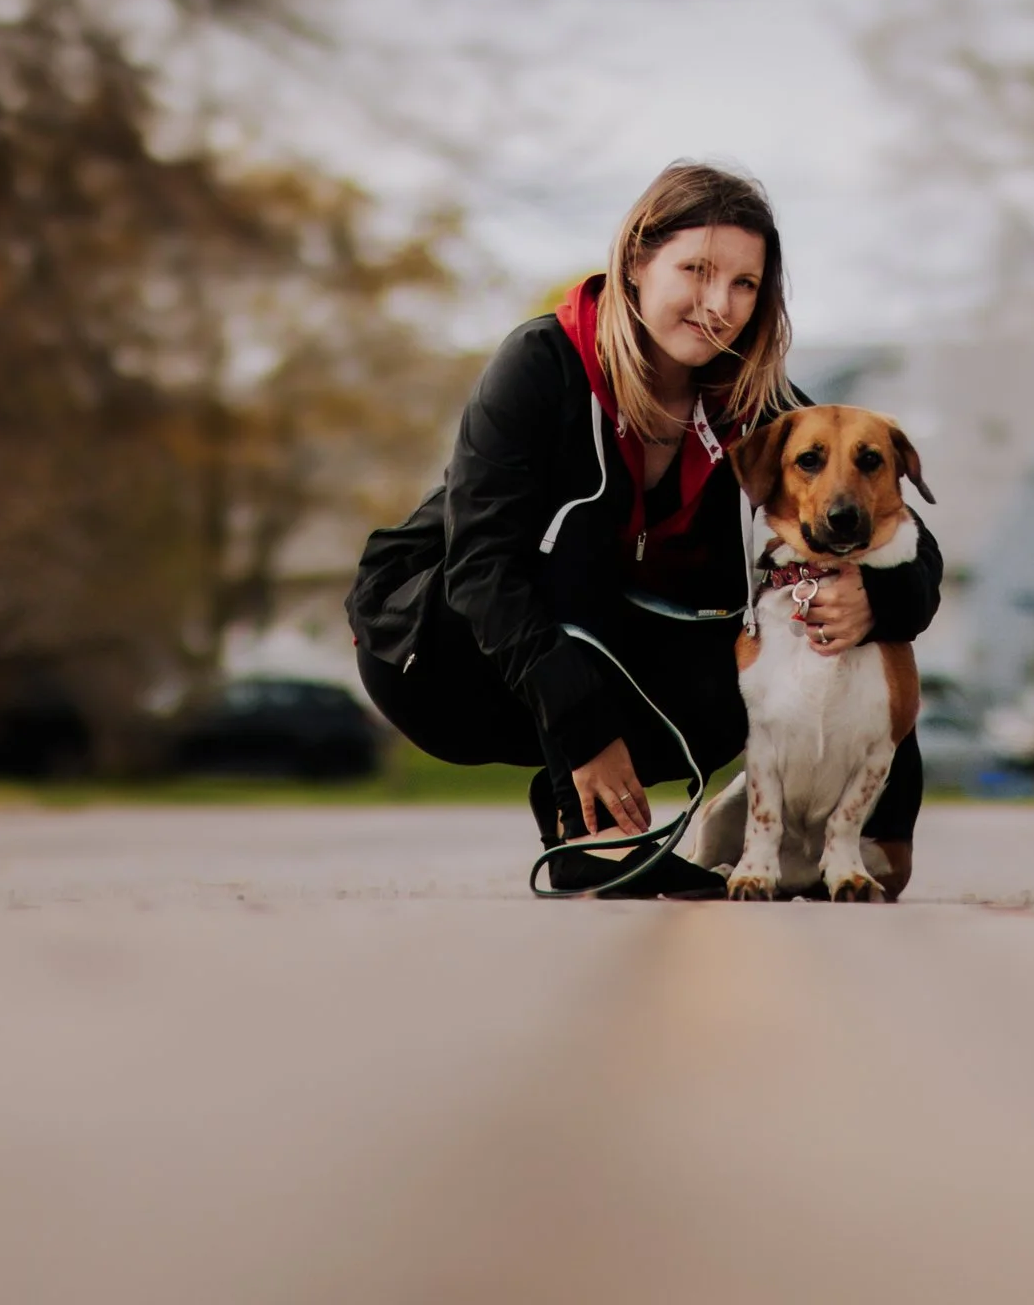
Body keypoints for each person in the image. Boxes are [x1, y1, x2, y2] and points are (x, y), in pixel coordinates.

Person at [346, 161, 944, 897]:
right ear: (636, 262)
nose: (718, 304)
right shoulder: (541, 367)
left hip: (602, 649)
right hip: (445, 652)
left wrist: (877, 601)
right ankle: (590, 816)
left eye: (744, 284)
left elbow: (895, 517)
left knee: (751, 667)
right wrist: (586, 733)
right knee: (569, 547)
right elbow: (481, 567)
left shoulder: (762, 410)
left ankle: (589, 833)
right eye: (696, 270)